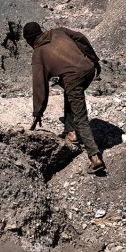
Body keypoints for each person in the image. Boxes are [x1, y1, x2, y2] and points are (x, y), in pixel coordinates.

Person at [23, 21, 105, 174]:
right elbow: (81, 38)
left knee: (80, 115)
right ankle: (71, 133)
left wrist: (37, 113)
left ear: (28, 40)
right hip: (89, 68)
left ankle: (95, 158)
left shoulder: (38, 54)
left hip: (73, 79)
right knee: (70, 92)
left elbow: (39, 86)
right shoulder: (59, 31)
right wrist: (94, 59)